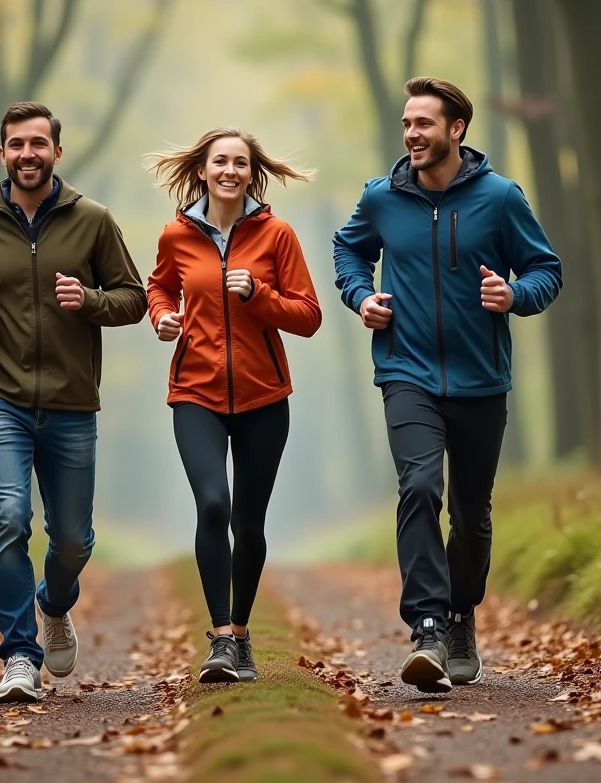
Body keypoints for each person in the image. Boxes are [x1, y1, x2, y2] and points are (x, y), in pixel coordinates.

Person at [331, 78, 562, 693]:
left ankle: (462, 615)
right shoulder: (381, 198)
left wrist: (514, 295)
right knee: (420, 486)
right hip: (406, 372)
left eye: (424, 124)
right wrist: (361, 298)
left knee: (472, 516)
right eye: (407, 124)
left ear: (456, 129)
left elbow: (546, 269)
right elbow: (348, 251)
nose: (412, 134)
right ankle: (429, 627)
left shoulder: (500, 197)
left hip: (481, 379)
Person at [0, 101, 148, 703]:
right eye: (16, 145)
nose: (27, 154)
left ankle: (54, 605)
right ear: (3, 154)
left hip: (72, 401)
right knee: (8, 518)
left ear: (57, 150)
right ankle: (19, 657)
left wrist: (91, 301)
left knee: (74, 540)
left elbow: (134, 297)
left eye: (38, 144)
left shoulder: (94, 221)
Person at [144, 128, 322, 683]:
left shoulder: (277, 235)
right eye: (219, 161)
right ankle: (220, 638)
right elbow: (159, 288)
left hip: (264, 396)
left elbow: (309, 316)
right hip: (195, 391)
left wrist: (259, 296)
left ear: (251, 173)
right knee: (213, 505)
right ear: (202, 169)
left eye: (239, 163)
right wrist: (163, 318)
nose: (229, 170)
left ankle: (241, 636)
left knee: (248, 519)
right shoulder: (177, 234)